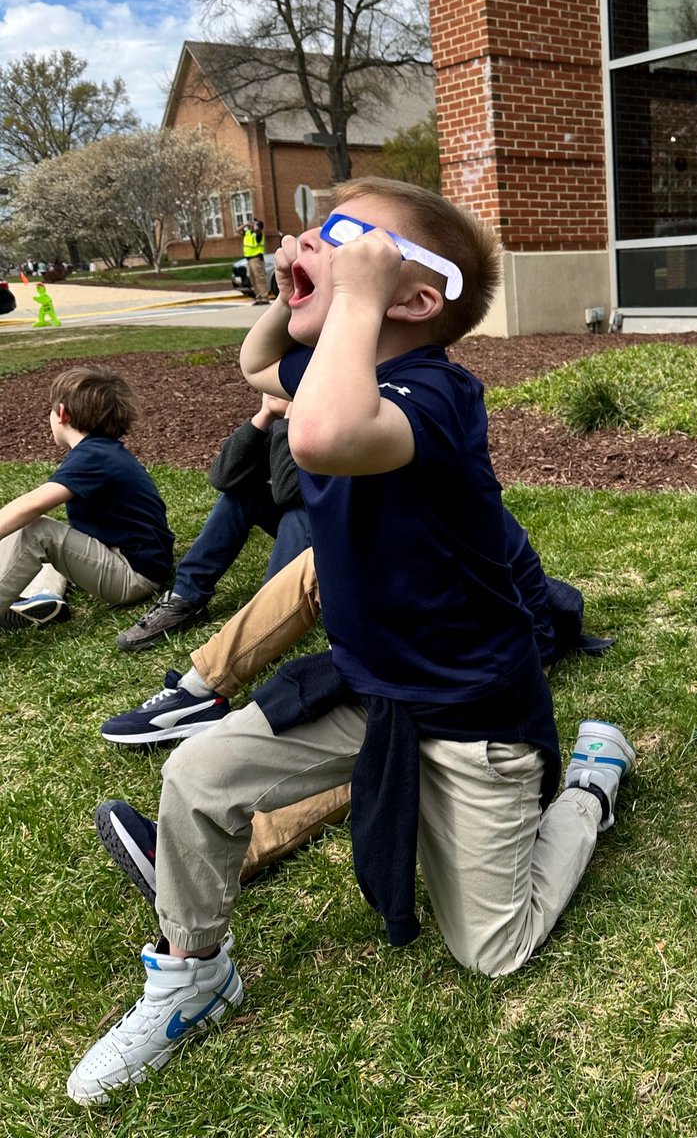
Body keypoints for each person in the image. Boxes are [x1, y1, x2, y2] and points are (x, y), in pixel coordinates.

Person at [67, 177, 636, 1105]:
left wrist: (350, 291)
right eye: (318, 229)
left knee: (492, 950)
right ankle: (195, 975)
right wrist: (294, 288)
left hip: (471, 716)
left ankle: (589, 785)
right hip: (370, 691)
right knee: (196, 778)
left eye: (347, 234)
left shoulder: (438, 392)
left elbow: (326, 436)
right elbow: (261, 369)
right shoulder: (344, 369)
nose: (311, 241)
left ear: (416, 299)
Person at [94, 509, 614, 898]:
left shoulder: (448, 480)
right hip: (414, 640)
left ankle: (203, 858)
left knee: (392, 744)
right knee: (320, 563)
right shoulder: (363, 472)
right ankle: (196, 691)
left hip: (477, 675)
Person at [115, 394, 309, 651]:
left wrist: (289, 421)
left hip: (353, 537)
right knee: (240, 495)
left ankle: (267, 620)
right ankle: (185, 598)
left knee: (300, 512)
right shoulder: (296, 403)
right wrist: (265, 416)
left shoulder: (336, 407)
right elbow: (224, 478)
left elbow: (288, 491)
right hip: (312, 521)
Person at [0, 366, 173, 633]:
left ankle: (36, 593)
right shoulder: (100, 451)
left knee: (36, 530)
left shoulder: (93, 456)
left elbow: (32, 505)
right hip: (130, 562)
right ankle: (40, 598)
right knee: (27, 526)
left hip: (134, 575)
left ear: (62, 413)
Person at [242, 218, 270, 305]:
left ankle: (264, 297)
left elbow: (257, 229)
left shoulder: (259, 234)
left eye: (255, 224)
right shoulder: (248, 233)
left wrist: (255, 224)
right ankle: (258, 297)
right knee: (253, 279)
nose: (253, 225)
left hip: (257, 259)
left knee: (260, 278)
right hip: (249, 259)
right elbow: (238, 230)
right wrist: (247, 224)